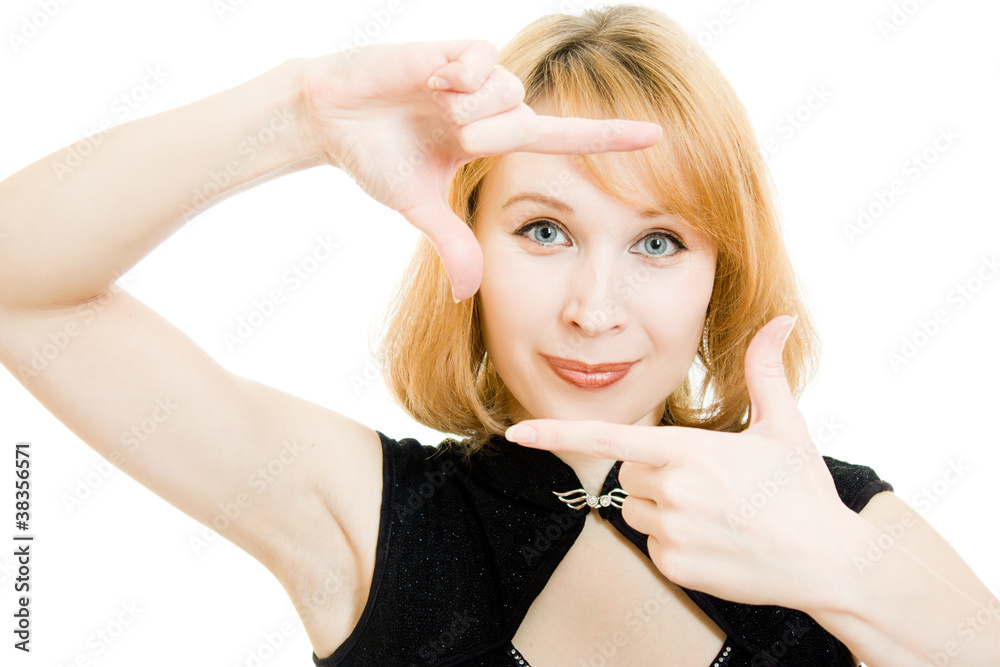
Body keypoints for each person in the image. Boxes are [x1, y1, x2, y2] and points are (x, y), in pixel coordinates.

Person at [0, 3, 996, 666]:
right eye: (545, 231)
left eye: (657, 241)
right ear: (466, 235)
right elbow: (18, 285)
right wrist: (297, 117)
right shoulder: (369, 517)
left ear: (717, 277)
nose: (594, 309)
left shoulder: (836, 519)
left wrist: (845, 569)